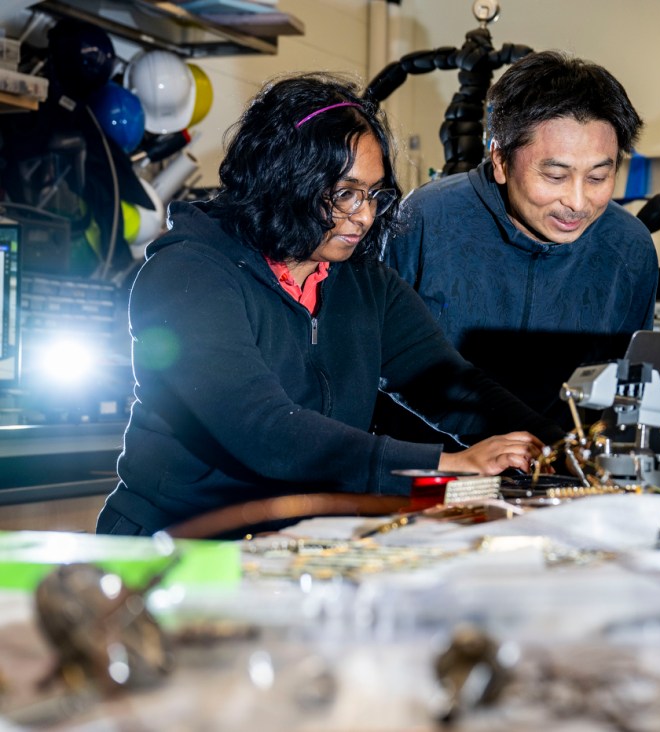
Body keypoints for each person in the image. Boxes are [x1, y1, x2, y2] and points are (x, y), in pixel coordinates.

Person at [97, 72, 562, 537]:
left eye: (373, 195)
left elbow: (451, 386)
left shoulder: (365, 283)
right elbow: (267, 431)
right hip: (176, 544)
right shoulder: (189, 275)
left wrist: (560, 453)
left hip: (291, 544)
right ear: (283, 178)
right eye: (344, 194)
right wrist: (450, 465)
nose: (363, 215)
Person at [381, 50, 658, 428]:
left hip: (564, 475)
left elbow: (626, 388)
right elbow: (373, 368)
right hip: (430, 470)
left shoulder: (629, 248)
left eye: (597, 178)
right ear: (500, 160)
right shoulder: (424, 221)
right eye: (556, 176)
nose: (577, 202)